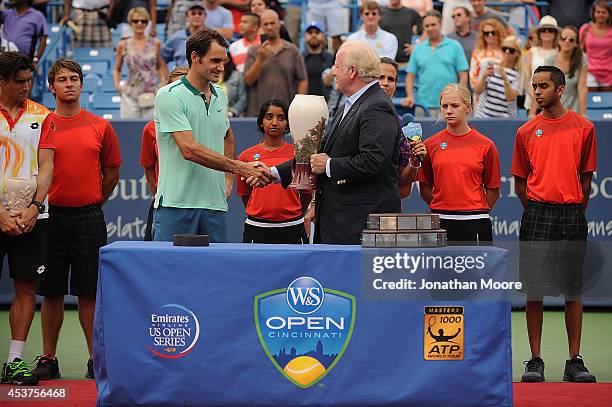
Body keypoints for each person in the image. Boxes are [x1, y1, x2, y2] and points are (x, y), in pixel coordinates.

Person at [252, 41, 401, 244]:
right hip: (342, 223)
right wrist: (274, 173)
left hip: (360, 227)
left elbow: (375, 160)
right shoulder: (350, 104)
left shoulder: (376, 106)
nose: (333, 73)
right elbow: (322, 152)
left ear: (352, 71)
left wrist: (330, 165)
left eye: (336, 67)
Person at [31, 59, 121, 381]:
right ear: (51, 87)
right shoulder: (42, 124)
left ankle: (93, 359)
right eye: (62, 79)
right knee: (51, 291)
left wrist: (95, 201)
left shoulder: (101, 126)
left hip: (88, 218)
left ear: (82, 85)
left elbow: (111, 172)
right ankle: (49, 358)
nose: (69, 84)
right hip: (50, 218)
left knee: (90, 293)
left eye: (74, 78)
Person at [511, 65, 597, 384]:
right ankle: (535, 360)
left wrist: (573, 208)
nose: (536, 91)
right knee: (535, 291)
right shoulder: (525, 132)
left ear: (560, 89)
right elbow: (520, 182)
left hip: (572, 213)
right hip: (537, 213)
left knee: (573, 290)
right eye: (534, 86)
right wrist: (537, 209)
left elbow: (586, 179)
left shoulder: (584, 128)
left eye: (543, 85)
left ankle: (574, 361)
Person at [153, 28, 273, 241]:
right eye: (215, 60)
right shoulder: (169, 95)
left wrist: (227, 179)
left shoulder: (220, 95)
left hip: (214, 205)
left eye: (223, 61)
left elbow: (228, 136)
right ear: (195, 57)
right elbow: (188, 149)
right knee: (171, 274)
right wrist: (240, 167)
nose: (220, 67)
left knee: (216, 274)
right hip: (176, 204)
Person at [0, 52, 53, 387]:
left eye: (29, 80)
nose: (26, 86)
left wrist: (34, 206)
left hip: (31, 216)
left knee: (26, 286)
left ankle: (14, 362)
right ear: (1, 81)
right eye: (18, 81)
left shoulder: (43, 115)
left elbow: (47, 166)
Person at [417, 83, 500, 244]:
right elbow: (425, 187)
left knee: (478, 270)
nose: (448, 111)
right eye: (444, 106)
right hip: (440, 220)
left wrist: (475, 210)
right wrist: (442, 207)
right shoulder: (430, 144)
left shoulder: (486, 145)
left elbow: (493, 190)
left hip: (476, 221)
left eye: (455, 106)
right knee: (440, 269)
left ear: (468, 107)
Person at [236, 99, 310, 243]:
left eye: (281, 118)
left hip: (293, 226)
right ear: (261, 121)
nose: (275, 122)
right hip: (257, 227)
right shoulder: (245, 156)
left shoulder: (299, 154)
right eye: (269, 117)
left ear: (288, 123)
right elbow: (245, 194)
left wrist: (294, 215)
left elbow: (306, 193)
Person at [140, 67, 189, 241]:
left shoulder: (202, 122)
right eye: (174, 86)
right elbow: (148, 166)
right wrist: (159, 194)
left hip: (196, 202)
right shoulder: (151, 129)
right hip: (165, 202)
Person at [401, 9, 468, 117]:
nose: (430, 28)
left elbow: (463, 75)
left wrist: (459, 96)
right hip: (423, 105)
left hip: (450, 106)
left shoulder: (455, 46)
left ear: (440, 24)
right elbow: (410, 76)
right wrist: (410, 96)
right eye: (427, 26)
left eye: (433, 24)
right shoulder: (418, 49)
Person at [378, 57, 426, 199]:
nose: (385, 83)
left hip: (387, 205)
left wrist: (413, 161)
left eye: (391, 79)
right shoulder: (354, 116)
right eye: (380, 77)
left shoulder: (402, 125)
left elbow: (404, 188)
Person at [243, 10, 307, 117]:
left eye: (272, 23)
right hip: (258, 113)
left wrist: (298, 106)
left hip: (286, 113)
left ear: (279, 24)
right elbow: (248, 81)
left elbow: (303, 80)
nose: (269, 27)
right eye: (265, 24)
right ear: (261, 26)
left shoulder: (292, 50)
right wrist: (260, 59)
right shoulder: (253, 51)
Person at [114, 7, 168, 120]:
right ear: (130, 23)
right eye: (135, 21)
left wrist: (163, 82)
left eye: (143, 21)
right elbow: (117, 69)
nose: (139, 24)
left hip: (152, 92)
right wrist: (117, 86)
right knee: (130, 130)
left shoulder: (155, 43)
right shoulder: (123, 45)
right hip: (129, 94)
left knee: (151, 130)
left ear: (147, 23)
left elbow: (161, 65)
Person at [473, 35, 521, 118]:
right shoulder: (490, 65)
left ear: (517, 53)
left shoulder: (518, 74)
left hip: (504, 119)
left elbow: (511, 98)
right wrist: (484, 77)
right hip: (483, 116)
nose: (507, 52)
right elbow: (477, 91)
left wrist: (505, 79)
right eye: (504, 49)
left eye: (511, 50)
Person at [525, 16, 559, 116]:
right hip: (532, 101)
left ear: (555, 34)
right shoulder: (532, 51)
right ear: (539, 34)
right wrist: (535, 95)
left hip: (553, 102)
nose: (547, 33)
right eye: (543, 30)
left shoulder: (559, 52)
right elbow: (527, 77)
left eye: (550, 30)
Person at [579, 0, 612, 92]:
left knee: (607, 103)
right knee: (590, 102)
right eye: (598, 12)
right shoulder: (585, 29)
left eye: (604, 12)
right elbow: (580, 50)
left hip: (609, 72)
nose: (600, 15)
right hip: (590, 70)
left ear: (609, 14)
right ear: (593, 13)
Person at [162, 3, 207, 68]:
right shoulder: (177, 37)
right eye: (193, 13)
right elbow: (161, 57)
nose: (197, 16)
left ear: (205, 16)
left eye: (200, 13)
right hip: (182, 76)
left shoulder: (211, 37)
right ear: (187, 16)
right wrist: (165, 75)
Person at [557, 26, 587, 116]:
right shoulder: (549, 59)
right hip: (555, 110)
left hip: (574, 109)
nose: (567, 41)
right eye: (563, 38)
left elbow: (582, 87)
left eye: (571, 40)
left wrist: (583, 114)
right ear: (559, 41)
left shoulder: (582, 59)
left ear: (576, 44)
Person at [469, 18, 506, 90]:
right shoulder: (477, 53)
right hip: (482, 93)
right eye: (486, 33)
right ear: (482, 35)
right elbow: (473, 79)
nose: (490, 35)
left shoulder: (506, 52)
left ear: (498, 33)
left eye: (493, 32)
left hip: (502, 92)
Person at [303, 22, 333, 99]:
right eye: (310, 32)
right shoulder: (299, 58)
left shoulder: (331, 58)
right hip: (303, 103)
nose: (313, 35)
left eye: (317, 32)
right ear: (304, 36)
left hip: (325, 104)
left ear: (323, 36)